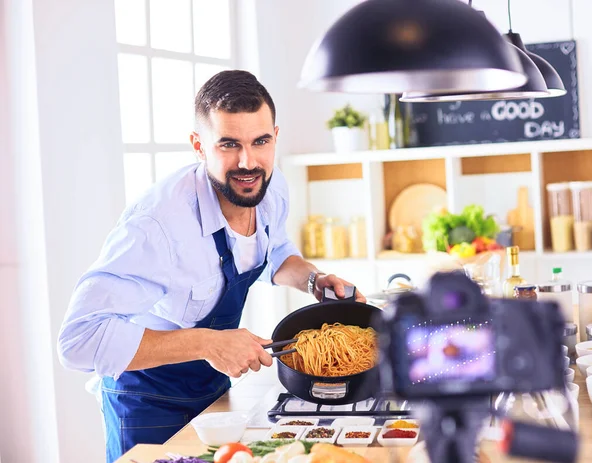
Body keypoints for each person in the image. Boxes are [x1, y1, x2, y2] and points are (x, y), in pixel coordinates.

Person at [57, 70, 366, 462]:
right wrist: (209, 342)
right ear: (198, 145)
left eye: (260, 142)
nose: (247, 161)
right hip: (146, 401)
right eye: (228, 145)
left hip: (213, 393)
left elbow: (276, 252)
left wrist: (312, 280)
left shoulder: (270, 190)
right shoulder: (156, 226)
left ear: (275, 135)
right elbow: (77, 342)